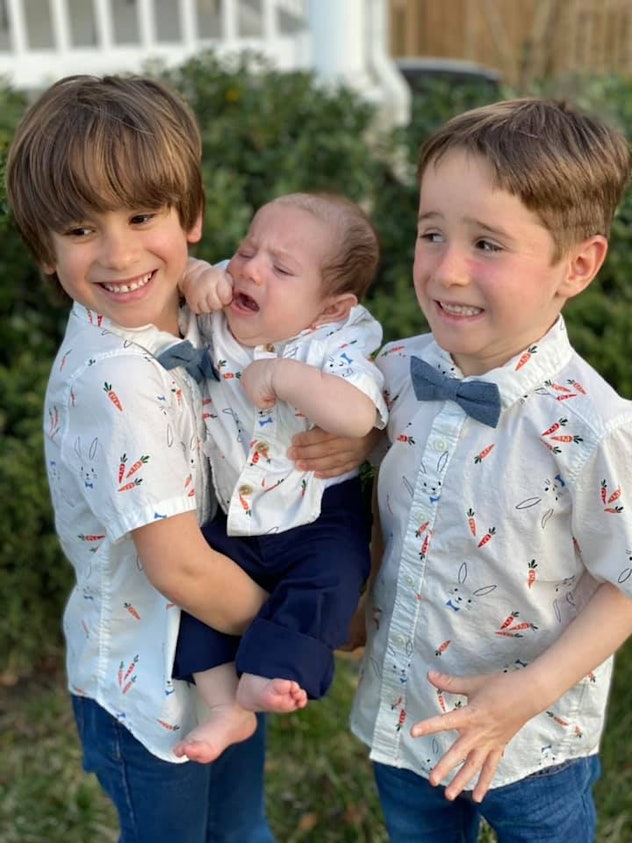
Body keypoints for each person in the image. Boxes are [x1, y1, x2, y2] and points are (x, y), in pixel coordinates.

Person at [5, 74, 370, 843]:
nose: (120, 252)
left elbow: (311, 353)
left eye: (143, 216)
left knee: (238, 826)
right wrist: (303, 630)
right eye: (79, 230)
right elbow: (179, 568)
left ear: (192, 216)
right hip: (148, 684)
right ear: (44, 249)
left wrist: (360, 434)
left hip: (218, 659)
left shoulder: (188, 310)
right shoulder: (117, 380)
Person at [349, 98, 632, 843]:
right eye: (432, 233)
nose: (447, 268)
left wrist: (528, 692)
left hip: (530, 740)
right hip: (411, 712)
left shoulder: (592, 427)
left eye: (487, 244)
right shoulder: (392, 375)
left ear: (577, 264)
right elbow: (361, 501)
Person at [168, 192, 388, 763]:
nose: (251, 268)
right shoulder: (228, 294)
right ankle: (223, 707)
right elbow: (185, 279)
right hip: (237, 515)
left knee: (329, 584)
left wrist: (286, 375)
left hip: (316, 512)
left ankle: (271, 672)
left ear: (331, 307)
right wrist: (194, 274)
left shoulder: (335, 341)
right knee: (195, 594)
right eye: (247, 249)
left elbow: (359, 416)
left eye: (281, 267)